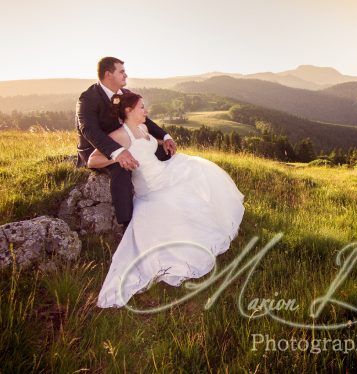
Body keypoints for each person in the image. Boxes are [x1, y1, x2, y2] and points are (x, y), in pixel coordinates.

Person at [91, 92, 245, 308]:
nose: (146, 111)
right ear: (128, 111)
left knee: (199, 169)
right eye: (141, 107)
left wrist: (165, 142)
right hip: (152, 189)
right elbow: (93, 159)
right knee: (180, 202)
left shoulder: (143, 129)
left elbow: (149, 148)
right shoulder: (120, 135)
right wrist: (117, 155)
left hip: (166, 173)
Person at [75, 57, 177, 230]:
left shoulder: (124, 93)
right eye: (121, 71)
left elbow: (143, 118)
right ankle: (127, 223)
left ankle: (170, 189)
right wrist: (117, 152)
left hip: (127, 141)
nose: (126, 75)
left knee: (163, 152)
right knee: (122, 168)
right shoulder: (87, 99)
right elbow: (89, 130)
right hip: (97, 150)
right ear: (108, 75)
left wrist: (165, 137)